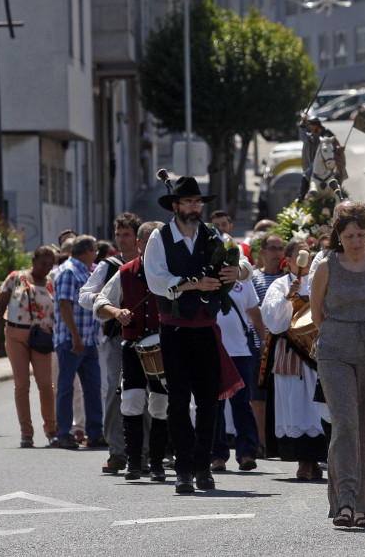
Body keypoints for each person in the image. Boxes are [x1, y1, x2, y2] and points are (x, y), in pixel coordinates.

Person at [144, 175, 243, 494]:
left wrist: (237, 271)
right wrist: (192, 284)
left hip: (205, 330)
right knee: (177, 402)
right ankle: (184, 470)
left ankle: (204, 467)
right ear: (175, 206)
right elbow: (156, 280)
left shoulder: (213, 235)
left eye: (198, 202)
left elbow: (243, 262)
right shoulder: (159, 238)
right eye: (188, 202)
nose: (194, 207)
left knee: (208, 403)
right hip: (174, 330)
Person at [311, 203, 365, 528]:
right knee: (345, 423)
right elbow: (316, 313)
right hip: (335, 349)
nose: (356, 241)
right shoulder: (326, 266)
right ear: (338, 236)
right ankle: (344, 501)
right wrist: (341, 330)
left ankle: (363, 506)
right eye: (349, 236)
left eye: (361, 234)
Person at [95, 221, 170, 482]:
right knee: (131, 403)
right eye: (149, 243)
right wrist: (117, 312)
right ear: (139, 244)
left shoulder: (172, 270)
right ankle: (134, 463)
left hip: (165, 348)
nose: (154, 249)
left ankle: (158, 463)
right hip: (133, 348)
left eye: (158, 243)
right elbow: (100, 303)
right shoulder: (125, 272)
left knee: (160, 406)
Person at [260, 240, 328, 481]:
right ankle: (303, 460)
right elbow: (274, 323)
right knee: (296, 403)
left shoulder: (322, 281)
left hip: (320, 353)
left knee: (319, 406)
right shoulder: (280, 284)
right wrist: (289, 297)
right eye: (300, 256)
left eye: (308, 256)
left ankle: (317, 458)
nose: (306, 261)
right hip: (291, 354)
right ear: (287, 261)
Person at [79, 213, 141, 473]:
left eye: (127, 235)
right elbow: (84, 295)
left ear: (137, 238)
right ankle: (117, 451)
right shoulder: (109, 265)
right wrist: (103, 301)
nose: (122, 240)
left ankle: (148, 450)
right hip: (117, 337)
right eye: (118, 235)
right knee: (116, 390)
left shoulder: (150, 262)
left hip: (147, 336)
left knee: (149, 393)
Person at [0, 246, 58, 448]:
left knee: (46, 385)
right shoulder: (16, 278)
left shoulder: (50, 284)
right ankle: (26, 433)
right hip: (16, 335)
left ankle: (52, 430)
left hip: (42, 337)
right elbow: (0, 308)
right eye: (42, 263)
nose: (46, 268)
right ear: (33, 259)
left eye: (49, 264)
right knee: (22, 384)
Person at [53, 235, 106, 450]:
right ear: (86, 252)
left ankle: (95, 432)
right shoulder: (68, 271)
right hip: (71, 340)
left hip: (88, 340)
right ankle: (63, 433)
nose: (95, 254)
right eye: (94, 250)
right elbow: (64, 304)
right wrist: (74, 335)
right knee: (66, 387)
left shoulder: (85, 271)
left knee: (93, 387)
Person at [211, 277, 266, 472]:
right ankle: (217, 456)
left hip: (241, 351)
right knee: (214, 404)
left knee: (242, 403)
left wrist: (263, 340)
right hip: (212, 351)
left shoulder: (243, 279)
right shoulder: (206, 273)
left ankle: (247, 453)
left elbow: (254, 312)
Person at [250, 233, 288, 454]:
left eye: (280, 248)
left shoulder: (288, 279)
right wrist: (262, 338)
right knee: (258, 396)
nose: (277, 253)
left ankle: (280, 440)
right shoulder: (254, 279)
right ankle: (262, 442)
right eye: (272, 249)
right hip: (259, 345)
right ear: (262, 252)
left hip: (285, 345)